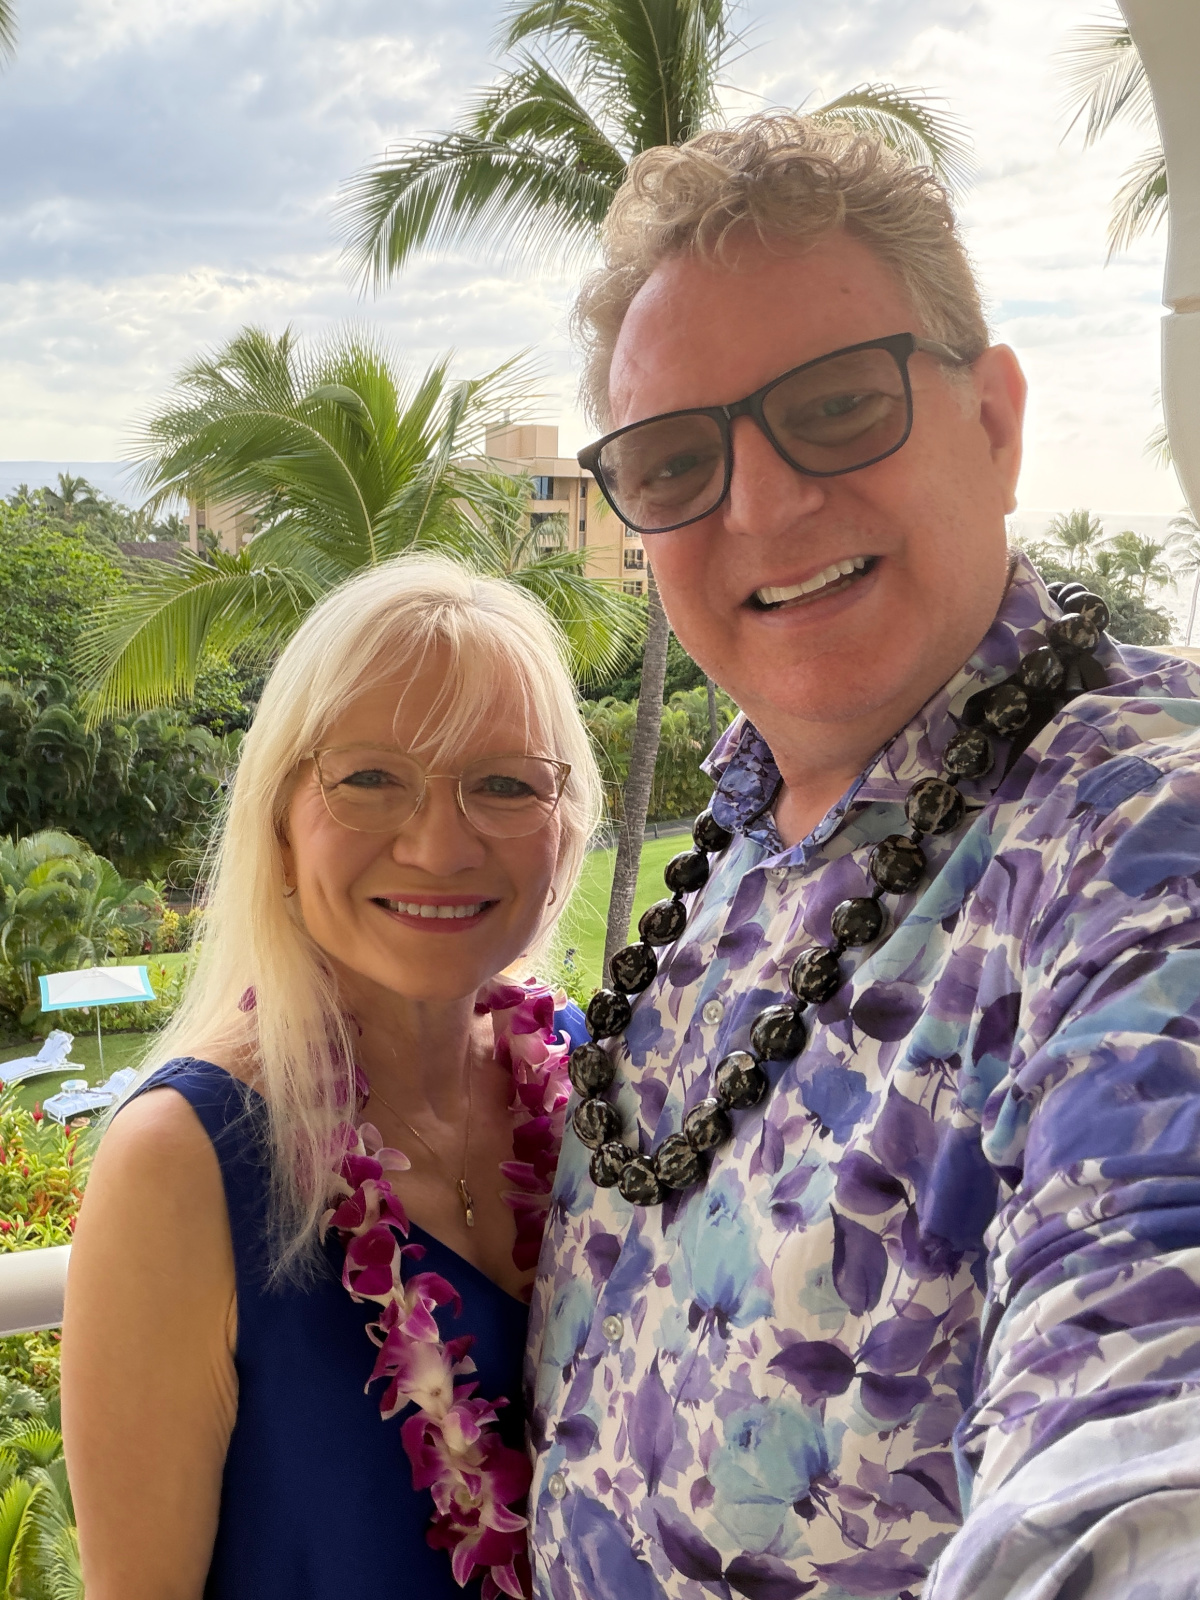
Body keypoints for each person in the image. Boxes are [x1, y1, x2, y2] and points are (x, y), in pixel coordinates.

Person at [528, 115, 1200, 1600]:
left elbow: (1147, 1385)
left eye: (837, 406)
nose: (760, 505)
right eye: (674, 459)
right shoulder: (744, 846)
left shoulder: (1144, 836)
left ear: (998, 423)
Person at [62, 556, 601, 1600]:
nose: (440, 844)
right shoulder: (184, 1161)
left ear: (565, 821)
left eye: (503, 782)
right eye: (369, 778)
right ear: (278, 820)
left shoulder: (600, 1088)